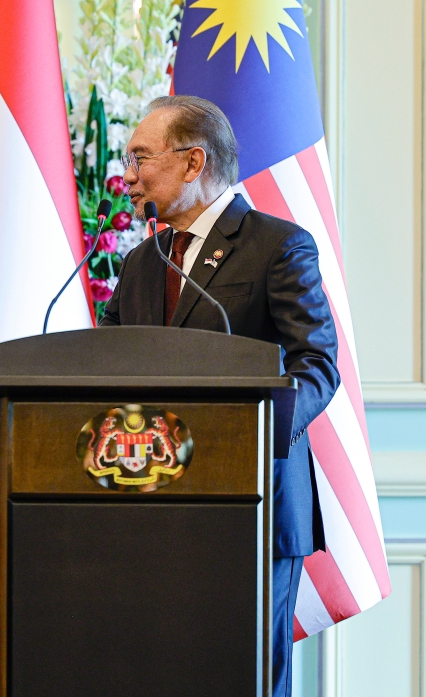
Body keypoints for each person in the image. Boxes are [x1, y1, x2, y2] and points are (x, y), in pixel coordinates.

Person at [101, 95, 339, 696]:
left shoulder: (276, 245)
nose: (126, 176)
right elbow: (98, 365)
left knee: (245, 675)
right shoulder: (140, 263)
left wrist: (258, 432)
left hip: (251, 501)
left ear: (191, 162)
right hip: (152, 505)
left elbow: (316, 364)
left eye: (138, 158)